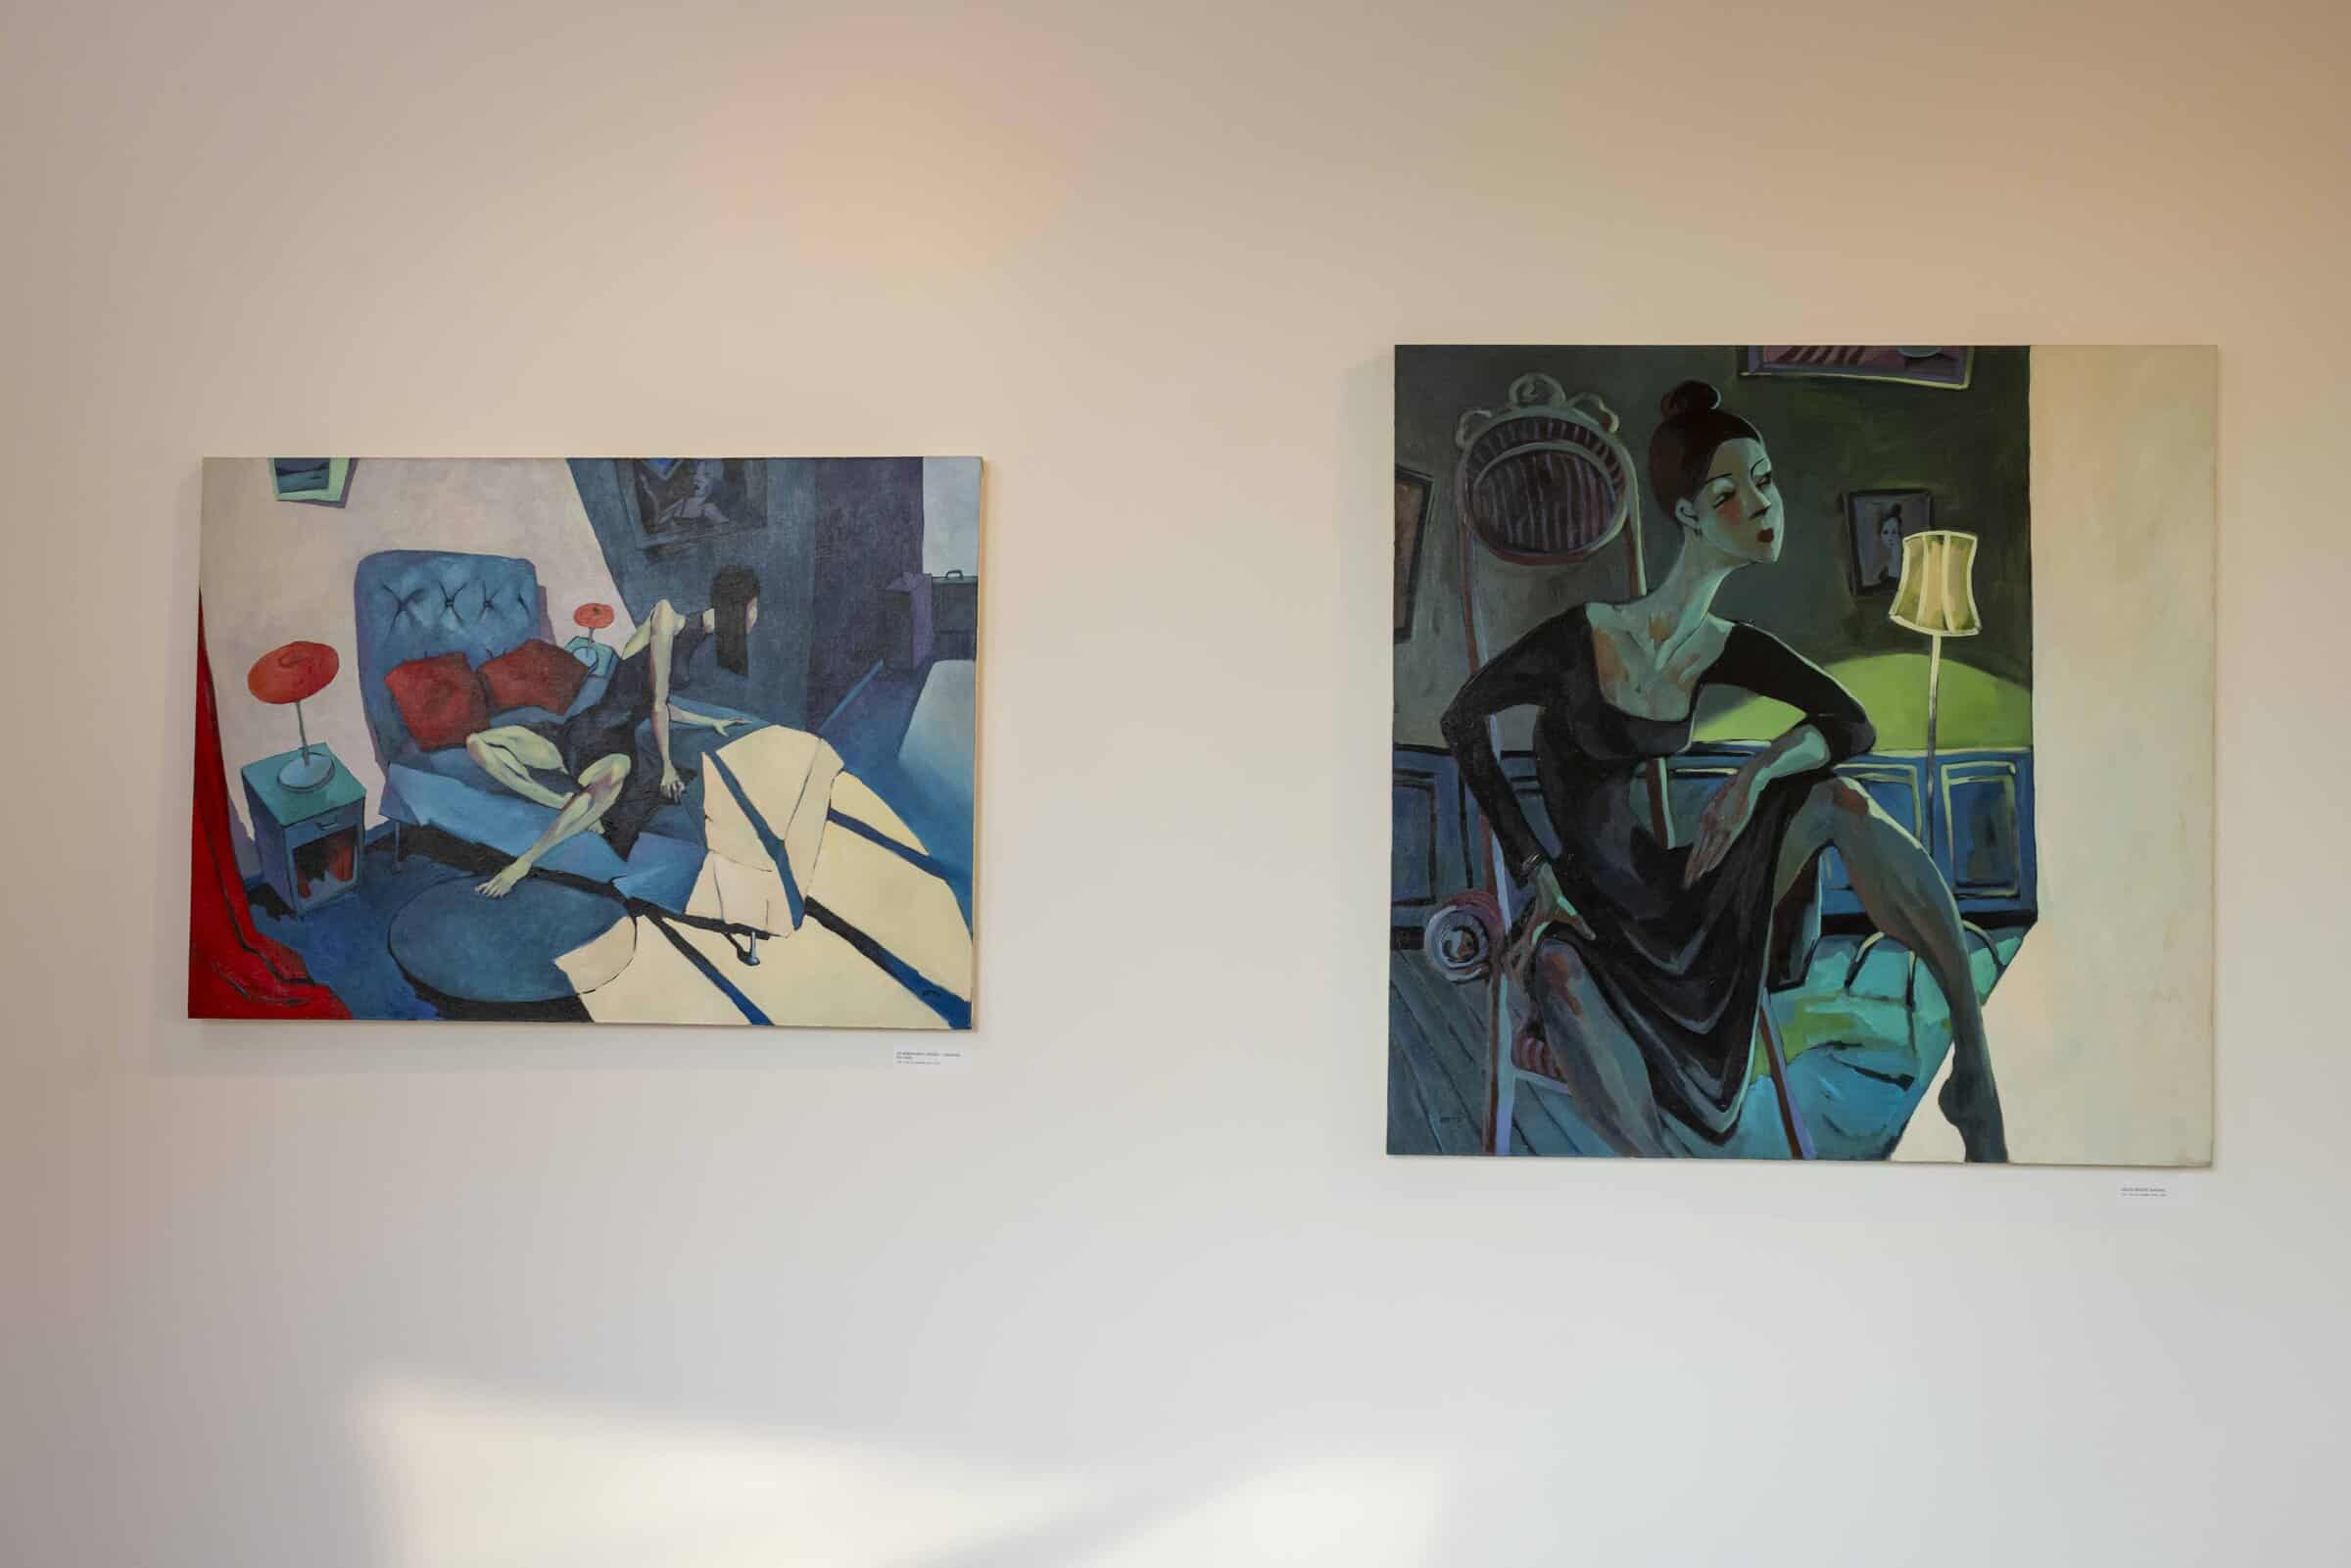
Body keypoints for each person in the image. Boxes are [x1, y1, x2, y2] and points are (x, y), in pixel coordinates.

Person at [1440, 381, 2007, 1161]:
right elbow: (1461, 718)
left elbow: (1852, 724)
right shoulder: (1584, 635)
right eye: (1729, 492)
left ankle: (1974, 1067)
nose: (1762, 503)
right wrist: (1531, 865)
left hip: (1681, 892)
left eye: (1765, 480)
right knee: (1561, 971)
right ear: (1688, 515)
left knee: (1837, 798)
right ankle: (1662, 1187)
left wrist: (1756, 775)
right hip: (1590, 911)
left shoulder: (1723, 644)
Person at [467, 566, 761, 897]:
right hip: (581, 731)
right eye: (755, 608)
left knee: (616, 773)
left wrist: (710, 722)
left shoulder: (695, 641)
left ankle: (523, 863)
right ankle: (557, 801)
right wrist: (666, 766)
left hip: (612, 748)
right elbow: (658, 704)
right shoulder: (666, 616)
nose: (756, 617)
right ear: (739, 606)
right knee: (476, 743)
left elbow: (655, 703)